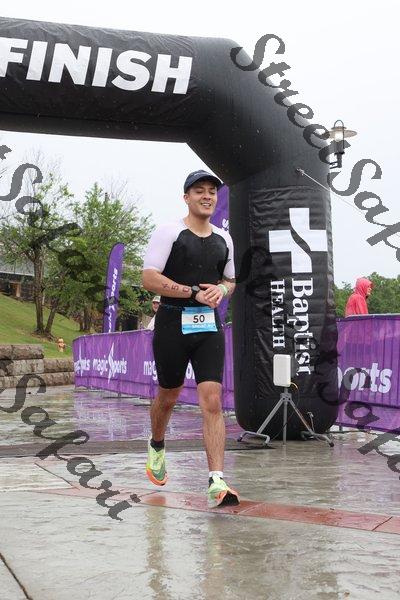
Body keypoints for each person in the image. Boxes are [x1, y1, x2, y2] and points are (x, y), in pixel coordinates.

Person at [141, 169, 239, 507]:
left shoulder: (224, 239)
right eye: (199, 191)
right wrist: (191, 292)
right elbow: (149, 278)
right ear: (186, 197)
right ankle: (157, 444)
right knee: (168, 395)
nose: (207, 196)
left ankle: (217, 480)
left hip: (207, 327)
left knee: (212, 400)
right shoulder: (169, 232)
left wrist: (221, 291)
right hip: (172, 323)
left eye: (212, 190)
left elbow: (230, 280)